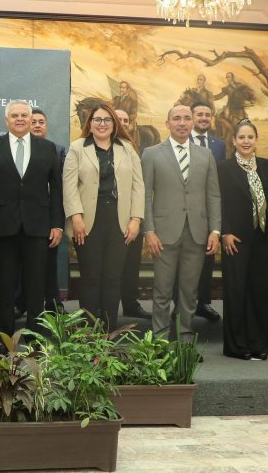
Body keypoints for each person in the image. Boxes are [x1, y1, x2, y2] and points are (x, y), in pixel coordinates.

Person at [0, 100, 63, 341]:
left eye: (25, 115)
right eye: (15, 115)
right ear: (7, 120)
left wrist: (57, 224)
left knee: (36, 288)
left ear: (31, 118)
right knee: (6, 287)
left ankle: (34, 340)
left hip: (38, 227)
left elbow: (56, 190)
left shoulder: (48, 148)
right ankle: (5, 340)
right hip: (2, 228)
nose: (20, 119)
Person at [141, 105, 221, 343]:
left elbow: (213, 195)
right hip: (163, 235)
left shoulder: (205, 155)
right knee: (162, 291)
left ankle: (185, 341)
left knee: (189, 292)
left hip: (197, 234)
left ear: (193, 122)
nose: (183, 123)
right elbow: (144, 195)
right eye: (177, 118)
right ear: (167, 123)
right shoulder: (152, 153)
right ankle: (160, 342)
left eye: (187, 118)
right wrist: (149, 230)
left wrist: (215, 230)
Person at [63, 103, 144, 329]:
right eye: (97, 120)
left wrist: (136, 219)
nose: (102, 124)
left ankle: (108, 334)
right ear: (90, 124)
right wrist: (76, 217)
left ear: (114, 124)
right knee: (90, 279)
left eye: (107, 120)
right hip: (87, 222)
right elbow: (69, 186)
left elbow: (139, 187)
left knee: (112, 279)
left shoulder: (128, 148)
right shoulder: (77, 148)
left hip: (120, 220)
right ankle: (89, 336)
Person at [218, 119, 268, 360]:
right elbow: (219, 204)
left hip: (263, 240)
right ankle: (237, 346)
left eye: (250, 137)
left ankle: (259, 345)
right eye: (241, 138)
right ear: (234, 141)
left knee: (260, 291)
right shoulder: (224, 169)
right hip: (235, 241)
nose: (246, 141)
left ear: (256, 141)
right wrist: (224, 232)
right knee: (236, 292)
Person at [15, 108, 67, 318]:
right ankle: (21, 302)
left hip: (48, 215)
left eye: (41, 122)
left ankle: (53, 302)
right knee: (21, 261)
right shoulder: (17, 149)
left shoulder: (57, 150)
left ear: (46, 126)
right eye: (33, 121)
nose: (37, 125)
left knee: (49, 260)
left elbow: (61, 184)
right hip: (21, 215)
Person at [189, 101, 227, 321]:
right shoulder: (182, 141)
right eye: (199, 114)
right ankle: (182, 304)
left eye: (207, 114)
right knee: (183, 261)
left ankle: (203, 303)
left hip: (209, 211)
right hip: (186, 211)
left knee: (207, 259)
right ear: (192, 117)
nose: (203, 118)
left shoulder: (219, 145)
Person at [116, 109, 152, 320]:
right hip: (108, 219)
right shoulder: (97, 147)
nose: (122, 123)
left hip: (133, 218)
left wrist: (137, 218)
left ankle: (130, 304)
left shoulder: (136, 149)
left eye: (126, 120)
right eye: (118, 119)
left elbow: (141, 187)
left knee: (131, 265)